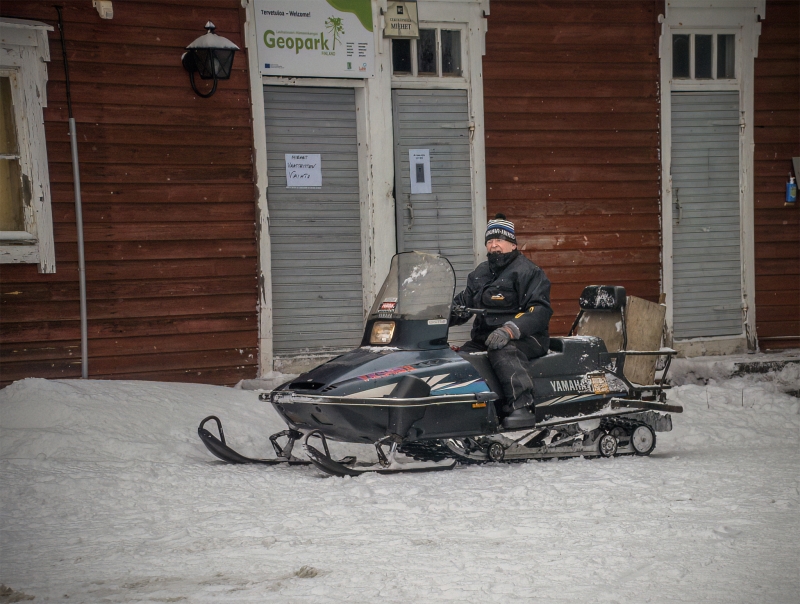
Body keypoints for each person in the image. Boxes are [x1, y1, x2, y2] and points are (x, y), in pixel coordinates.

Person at [450, 214, 552, 425]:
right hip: (485, 338)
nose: (494, 246)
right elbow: (463, 303)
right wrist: (436, 316)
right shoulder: (480, 273)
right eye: (490, 241)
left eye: (499, 241)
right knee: (459, 360)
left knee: (502, 350)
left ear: (512, 244)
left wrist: (509, 330)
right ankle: (468, 410)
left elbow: (539, 310)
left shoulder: (528, 272)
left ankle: (522, 406)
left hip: (526, 338)